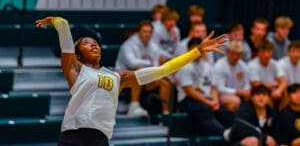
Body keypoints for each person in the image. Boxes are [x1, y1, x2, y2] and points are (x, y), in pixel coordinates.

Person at [35, 16, 227, 146]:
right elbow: (65, 32)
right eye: (86, 43)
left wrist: (196, 52)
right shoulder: (76, 70)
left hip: (100, 138)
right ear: (77, 55)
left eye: (95, 42)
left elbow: (162, 70)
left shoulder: (118, 76)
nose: (93, 43)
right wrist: (56, 21)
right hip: (73, 136)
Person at [176, 38, 234, 138]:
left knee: (223, 110)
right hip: (188, 100)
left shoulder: (208, 66)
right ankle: (223, 132)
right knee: (201, 109)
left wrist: (215, 101)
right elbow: (189, 91)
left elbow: (214, 88)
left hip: (207, 98)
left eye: (201, 48)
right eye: (196, 49)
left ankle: (235, 130)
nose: (199, 51)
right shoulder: (185, 66)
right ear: (189, 50)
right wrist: (208, 102)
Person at [115, 20, 172, 116]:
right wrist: (148, 64)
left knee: (165, 83)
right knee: (138, 71)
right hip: (122, 78)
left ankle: (165, 114)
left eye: (150, 32)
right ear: (139, 32)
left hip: (144, 77)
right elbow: (132, 63)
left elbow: (156, 66)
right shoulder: (128, 45)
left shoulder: (153, 46)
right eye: (145, 31)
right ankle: (134, 106)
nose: (147, 34)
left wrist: (148, 66)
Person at [247, 39, 287, 107]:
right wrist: (273, 84)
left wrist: (279, 91)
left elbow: (284, 81)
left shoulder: (275, 63)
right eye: (263, 52)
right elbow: (257, 85)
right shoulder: (252, 65)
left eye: (268, 51)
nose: (266, 55)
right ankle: (271, 115)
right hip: (259, 91)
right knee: (265, 95)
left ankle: (282, 114)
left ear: (272, 52)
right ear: (258, 52)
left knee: (285, 92)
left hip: (273, 90)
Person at [213, 41, 251, 112]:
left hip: (239, 94)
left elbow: (247, 84)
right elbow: (220, 89)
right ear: (227, 53)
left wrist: (246, 91)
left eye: (238, 54)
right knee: (235, 101)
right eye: (233, 54)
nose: (235, 57)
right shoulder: (220, 66)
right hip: (221, 95)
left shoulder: (243, 66)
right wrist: (238, 92)